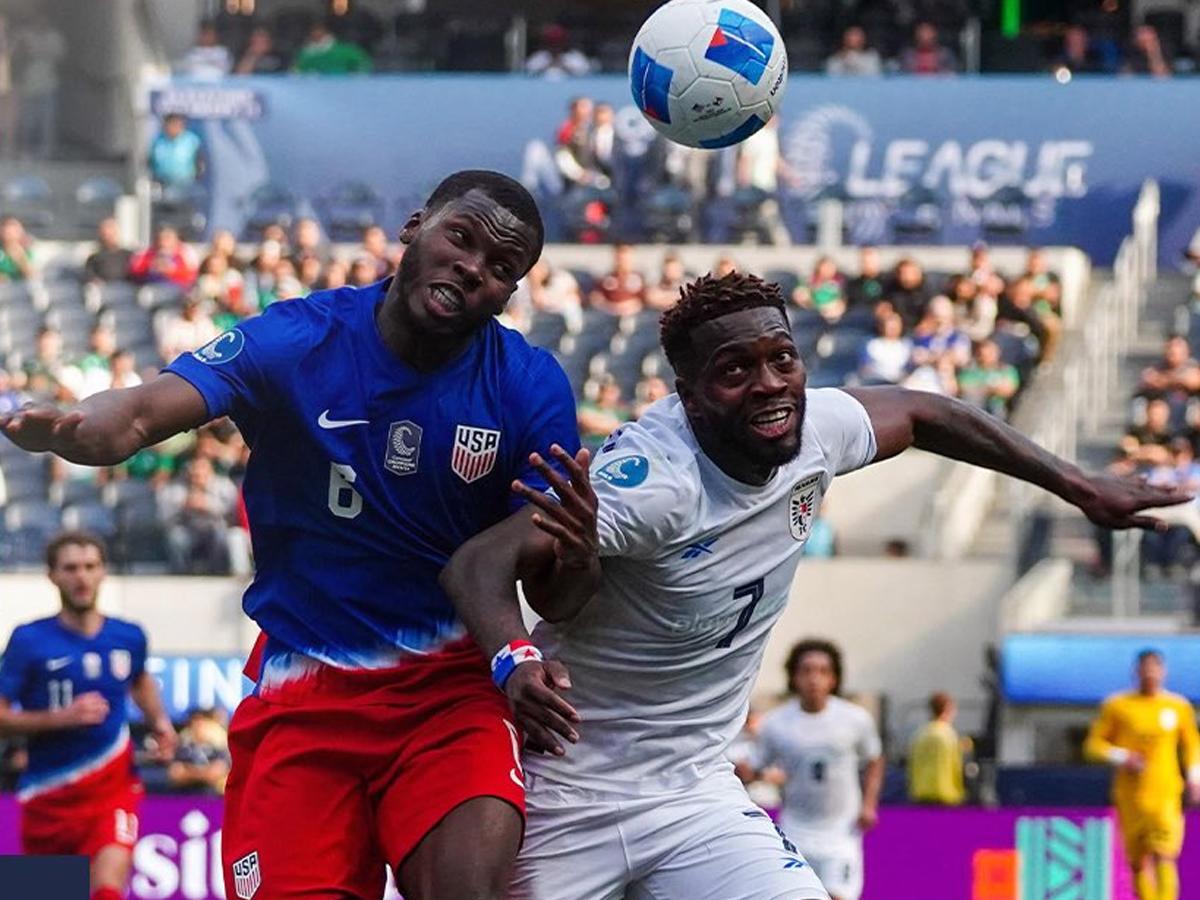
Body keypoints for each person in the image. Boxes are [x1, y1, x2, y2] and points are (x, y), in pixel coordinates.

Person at [440, 271, 1186, 900]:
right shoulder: (654, 486)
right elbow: (477, 564)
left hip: (694, 792)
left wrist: (1076, 483)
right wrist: (515, 660)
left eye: (783, 359)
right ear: (689, 395)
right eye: (736, 371)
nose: (770, 385)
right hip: (570, 794)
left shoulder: (817, 430)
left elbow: (925, 410)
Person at [1, 170, 579, 900]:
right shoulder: (299, 337)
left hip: (448, 698)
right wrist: (86, 428)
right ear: (414, 227)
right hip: (303, 699)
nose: (472, 267)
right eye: (460, 238)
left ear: (510, 293)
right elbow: (144, 411)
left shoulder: (529, 384)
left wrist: (551, 594)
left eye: (500, 267)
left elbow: (550, 560)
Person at [0, 532, 176, 900]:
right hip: (48, 796)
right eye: (70, 568)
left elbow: (139, 679)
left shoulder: (129, 636)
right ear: (52, 575)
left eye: (90, 566)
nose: (81, 577)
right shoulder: (29, 640)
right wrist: (61, 718)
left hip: (113, 789)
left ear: (103, 572)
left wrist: (160, 722)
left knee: (108, 886)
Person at [743, 640, 884, 900]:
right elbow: (753, 768)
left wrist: (869, 804)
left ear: (834, 678)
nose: (814, 679)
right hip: (796, 829)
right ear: (794, 677)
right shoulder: (776, 724)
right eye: (806, 670)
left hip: (841, 832)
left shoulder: (855, 719)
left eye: (822, 671)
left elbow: (875, 759)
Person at [1085, 649, 1200, 900]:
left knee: (1164, 852)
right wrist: (1122, 756)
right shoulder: (1118, 706)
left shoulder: (1178, 707)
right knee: (1138, 861)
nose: (1150, 673)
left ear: (1163, 672)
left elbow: (1192, 745)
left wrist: (1194, 778)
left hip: (1166, 793)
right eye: (1145, 668)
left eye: (1155, 668)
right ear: (1136, 671)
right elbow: (1093, 746)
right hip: (1131, 795)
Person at [14, 11, 66, 159]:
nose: (40, 23)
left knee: (47, 121)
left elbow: (61, 58)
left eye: (43, 20)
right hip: (28, 85)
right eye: (37, 20)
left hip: (49, 84)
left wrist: (41, 51)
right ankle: (27, 151)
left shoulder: (55, 37)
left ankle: (46, 152)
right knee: (28, 121)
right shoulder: (24, 35)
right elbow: (15, 54)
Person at [907, 692, 966, 805]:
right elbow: (956, 766)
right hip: (945, 794)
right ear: (947, 709)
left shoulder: (920, 734)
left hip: (920, 793)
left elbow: (912, 765)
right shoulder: (949, 735)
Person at [167, 707, 231, 795]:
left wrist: (189, 772)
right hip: (183, 795)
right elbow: (176, 773)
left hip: (212, 797)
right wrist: (204, 773)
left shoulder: (219, 748)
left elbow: (217, 772)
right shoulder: (183, 747)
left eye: (202, 722)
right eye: (195, 722)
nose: (198, 726)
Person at [129, 224, 199, 289]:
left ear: (176, 239)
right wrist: (151, 267)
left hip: (177, 290)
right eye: (160, 238)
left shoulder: (186, 252)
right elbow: (134, 272)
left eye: (167, 238)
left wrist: (171, 271)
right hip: (149, 287)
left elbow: (192, 275)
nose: (162, 242)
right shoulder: (145, 253)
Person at [148, 114, 204, 193]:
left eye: (176, 124)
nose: (173, 127)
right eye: (170, 124)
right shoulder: (157, 141)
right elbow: (150, 162)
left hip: (187, 186)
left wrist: (196, 178)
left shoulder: (192, 141)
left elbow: (200, 163)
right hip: (163, 186)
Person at [293, 19, 373, 74]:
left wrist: (354, 76)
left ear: (327, 32)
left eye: (320, 31)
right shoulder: (305, 54)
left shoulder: (345, 50)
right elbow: (297, 71)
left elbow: (364, 64)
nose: (316, 34)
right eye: (314, 32)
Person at [525, 24, 592, 78]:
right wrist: (546, 67)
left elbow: (587, 74)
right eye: (551, 43)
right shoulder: (538, 57)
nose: (555, 47)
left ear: (564, 43)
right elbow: (528, 74)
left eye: (558, 43)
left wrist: (565, 67)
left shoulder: (575, 57)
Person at [83, 218, 133, 284]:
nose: (109, 237)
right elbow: (90, 278)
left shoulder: (129, 256)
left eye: (112, 233)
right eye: (106, 234)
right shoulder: (94, 258)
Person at [0, 214, 37, 281]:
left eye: (13, 230)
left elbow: (32, 276)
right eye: (5, 229)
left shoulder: (26, 252)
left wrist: (20, 258)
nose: (9, 233)